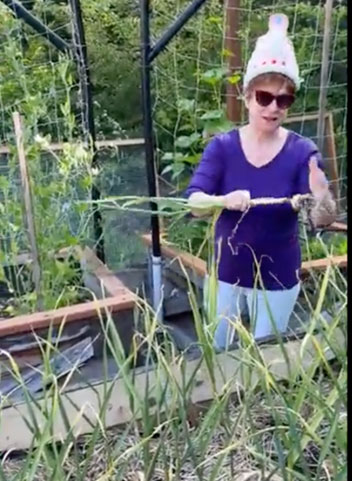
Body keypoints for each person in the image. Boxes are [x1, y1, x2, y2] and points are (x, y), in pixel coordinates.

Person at [186, 13, 336, 349]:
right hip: (226, 272)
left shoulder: (302, 151)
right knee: (218, 351)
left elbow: (322, 219)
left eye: (283, 100)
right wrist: (223, 201)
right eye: (265, 98)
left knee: (267, 357)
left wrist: (321, 194)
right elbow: (194, 203)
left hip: (278, 276)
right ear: (247, 96)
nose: (273, 108)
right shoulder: (222, 148)